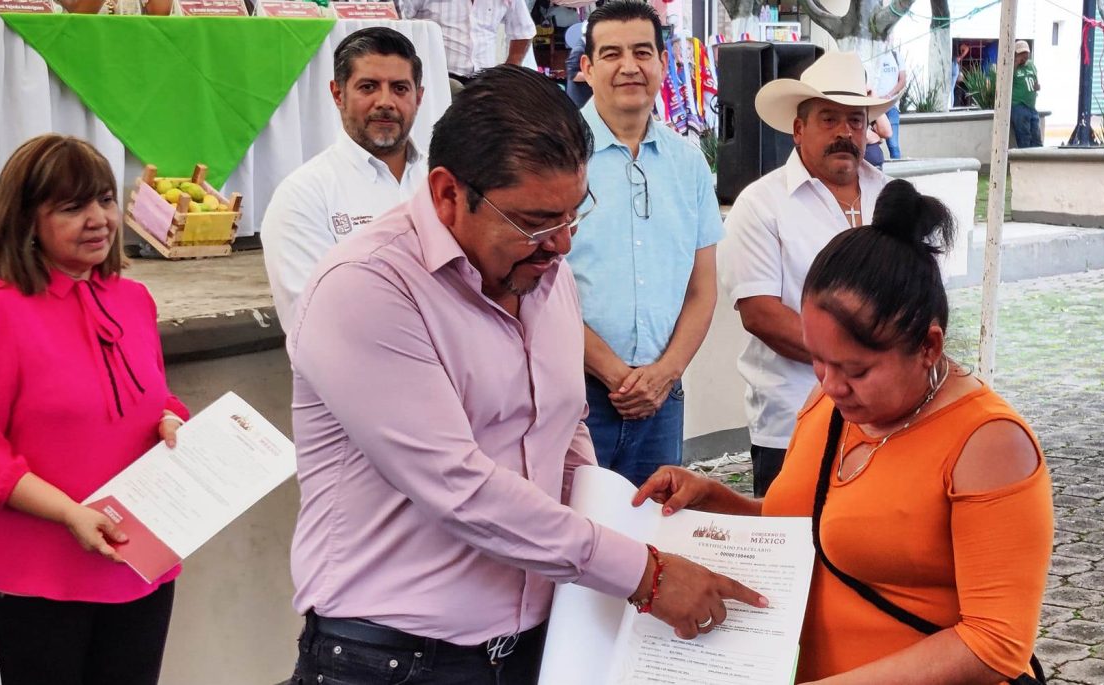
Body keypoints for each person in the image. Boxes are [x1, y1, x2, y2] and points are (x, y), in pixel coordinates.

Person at [286, 65, 766, 685]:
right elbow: (458, 487)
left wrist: (625, 513)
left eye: (573, 216)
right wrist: (646, 574)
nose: (561, 245)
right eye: (535, 221)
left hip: (534, 645)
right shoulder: (367, 288)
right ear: (447, 194)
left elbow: (560, 427)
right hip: (392, 658)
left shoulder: (541, 271)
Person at [637, 180, 1054, 685]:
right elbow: (815, 529)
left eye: (856, 370)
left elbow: (995, 644)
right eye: (818, 359)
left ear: (928, 346)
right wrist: (715, 500)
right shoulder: (829, 404)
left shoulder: (988, 442)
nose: (832, 384)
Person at [0, 134, 188, 685]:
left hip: (139, 560)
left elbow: (151, 397)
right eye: (72, 207)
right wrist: (71, 514)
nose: (98, 219)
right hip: (40, 575)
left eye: (105, 199)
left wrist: (170, 419)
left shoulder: (133, 300)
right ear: (28, 220)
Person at [722, 50, 894, 496]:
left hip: (887, 420)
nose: (844, 133)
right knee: (793, 537)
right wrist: (861, 361)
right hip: (794, 420)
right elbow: (761, 314)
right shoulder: (761, 204)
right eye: (828, 119)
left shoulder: (893, 198)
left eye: (855, 120)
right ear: (798, 130)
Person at [565, 1, 722, 487]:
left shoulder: (688, 164)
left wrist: (665, 374)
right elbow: (540, 289)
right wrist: (614, 373)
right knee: (574, 524)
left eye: (642, 52)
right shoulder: (557, 157)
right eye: (611, 54)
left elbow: (702, 289)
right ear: (587, 67)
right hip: (576, 392)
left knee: (652, 525)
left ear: (662, 62)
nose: (629, 66)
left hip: (662, 397)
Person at [260, 27, 427, 334]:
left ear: (419, 97)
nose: (385, 101)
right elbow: (315, 321)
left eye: (400, 88)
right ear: (338, 94)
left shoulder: (446, 182)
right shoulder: (303, 196)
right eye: (368, 87)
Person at [398, 0, 536, 83]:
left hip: (484, 82)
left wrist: (510, 69)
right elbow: (397, 20)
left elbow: (524, 30)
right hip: (437, 79)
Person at [870, 45, 907, 159]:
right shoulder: (873, 54)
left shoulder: (896, 56)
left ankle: (897, 168)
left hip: (891, 105)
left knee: (893, 145)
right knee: (872, 142)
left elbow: (902, 81)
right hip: (874, 105)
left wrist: (889, 95)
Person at [1010, 40, 1043, 148]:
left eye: (1026, 53)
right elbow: (1007, 80)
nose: (1024, 56)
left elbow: (1035, 79)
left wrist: (1037, 86)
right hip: (1019, 105)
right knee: (1024, 138)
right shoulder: (1012, 67)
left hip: (1031, 106)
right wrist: (1016, 63)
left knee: (1036, 138)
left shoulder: (1031, 65)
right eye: (1021, 53)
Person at [563, 20, 592, 107]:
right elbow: (572, 74)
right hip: (579, 100)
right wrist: (595, 76)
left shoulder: (588, 48)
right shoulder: (579, 49)